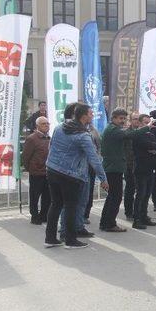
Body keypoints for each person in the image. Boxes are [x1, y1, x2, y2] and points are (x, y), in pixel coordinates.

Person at [45, 103, 109, 249]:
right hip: (70, 175)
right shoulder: (83, 136)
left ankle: (50, 238)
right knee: (70, 207)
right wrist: (103, 179)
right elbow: (94, 159)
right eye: (91, 114)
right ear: (83, 116)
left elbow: (51, 147)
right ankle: (70, 240)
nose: (92, 116)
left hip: (52, 170)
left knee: (56, 205)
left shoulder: (59, 127)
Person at [99, 108, 148, 232]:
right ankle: (109, 224)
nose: (123, 121)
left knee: (112, 197)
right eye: (121, 118)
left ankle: (105, 222)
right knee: (116, 197)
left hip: (113, 167)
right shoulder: (113, 130)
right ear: (114, 118)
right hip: (113, 168)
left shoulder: (112, 129)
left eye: (124, 119)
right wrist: (147, 127)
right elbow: (130, 134)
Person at [132, 114, 156, 229]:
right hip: (141, 168)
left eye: (149, 122)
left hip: (150, 168)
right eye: (145, 122)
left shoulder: (149, 134)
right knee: (140, 194)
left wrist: (153, 148)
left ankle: (144, 216)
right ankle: (137, 219)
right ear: (139, 123)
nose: (148, 125)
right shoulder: (138, 135)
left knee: (147, 194)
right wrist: (151, 147)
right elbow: (145, 144)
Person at [22, 116, 51, 225]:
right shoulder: (32, 138)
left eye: (48, 123)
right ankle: (34, 216)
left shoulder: (49, 138)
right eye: (44, 124)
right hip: (36, 172)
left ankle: (44, 215)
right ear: (37, 126)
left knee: (47, 196)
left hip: (48, 172)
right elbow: (26, 156)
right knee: (35, 196)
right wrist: (30, 168)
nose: (46, 125)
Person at [124, 112, 141, 219]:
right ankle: (129, 212)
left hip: (140, 165)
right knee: (130, 190)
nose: (137, 121)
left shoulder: (141, 131)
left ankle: (138, 211)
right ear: (130, 120)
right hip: (129, 165)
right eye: (135, 119)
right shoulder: (127, 133)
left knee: (139, 190)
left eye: (138, 119)